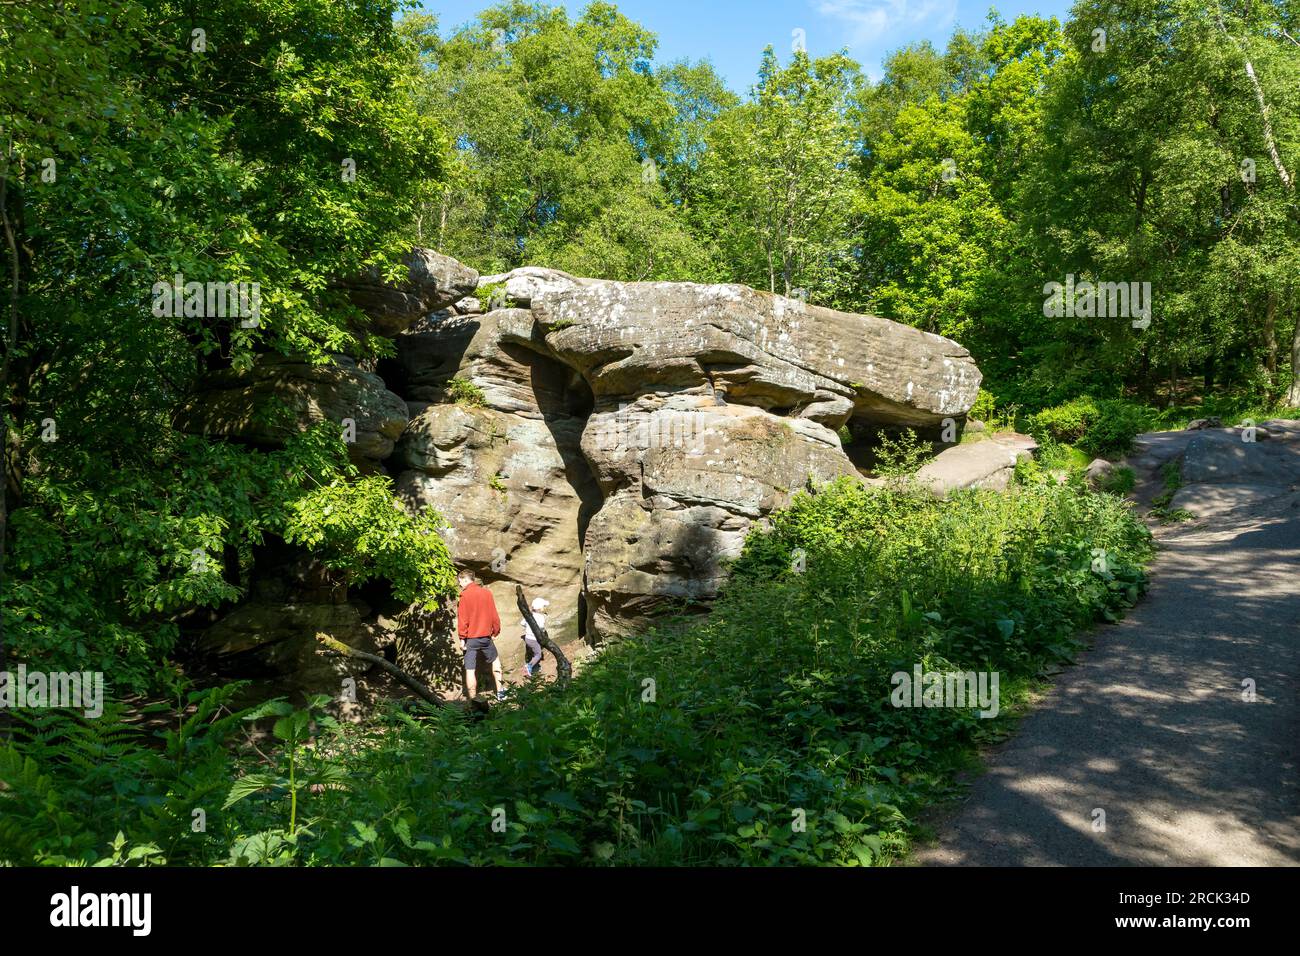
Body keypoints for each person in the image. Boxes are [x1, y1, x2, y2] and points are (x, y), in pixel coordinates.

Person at [455, 569, 505, 701]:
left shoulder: (464, 596)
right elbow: (494, 615)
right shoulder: (486, 593)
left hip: (470, 639)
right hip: (486, 638)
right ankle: (501, 693)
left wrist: (462, 639)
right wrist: (495, 631)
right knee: (496, 663)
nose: (460, 585)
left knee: (470, 670)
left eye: (460, 582)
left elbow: (463, 619)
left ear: (466, 579)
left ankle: (472, 700)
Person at [520, 596, 549, 677]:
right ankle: (529, 666)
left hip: (527, 638)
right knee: (538, 654)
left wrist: (527, 627)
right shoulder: (541, 617)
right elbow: (542, 627)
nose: (545, 608)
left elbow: (522, 623)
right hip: (534, 639)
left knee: (533, 652)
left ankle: (533, 665)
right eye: (544, 606)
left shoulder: (529, 615)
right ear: (540, 608)